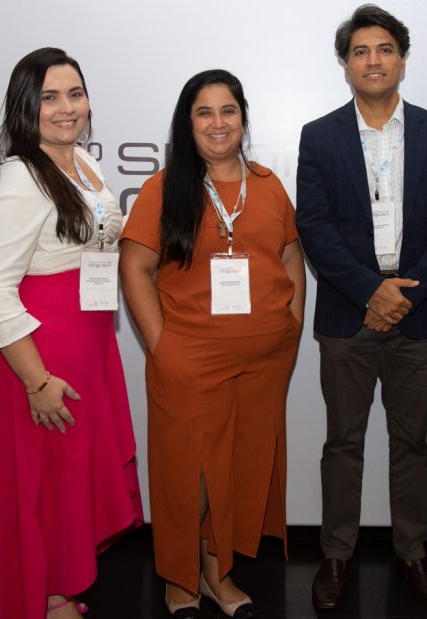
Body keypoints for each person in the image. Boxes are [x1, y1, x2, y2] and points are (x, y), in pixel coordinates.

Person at [296, 4, 427, 610]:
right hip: (349, 313)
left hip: (417, 312)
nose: (374, 60)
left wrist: (402, 295)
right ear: (346, 64)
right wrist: (371, 291)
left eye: (385, 49)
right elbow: (315, 228)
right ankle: (336, 556)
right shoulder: (319, 136)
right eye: (361, 51)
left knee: (411, 443)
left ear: (403, 60)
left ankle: (413, 553)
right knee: (342, 443)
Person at [120, 69, 304, 618]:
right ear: (188, 122)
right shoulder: (164, 188)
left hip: (263, 364)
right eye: (204, 112)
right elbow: (135, 268)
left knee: (239, 472)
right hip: (190, 361)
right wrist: (162, 348)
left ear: (243, 117)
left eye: (228, 110)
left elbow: (291, 255)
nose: (218, 123)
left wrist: (291, 326)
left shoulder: (268, 185)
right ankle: (180, 578)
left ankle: (217, 572)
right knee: (191, 474)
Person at [0, 48, 144, 619]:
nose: (67, 108)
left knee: (69, 476)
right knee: (43, 481)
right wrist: (37, 381)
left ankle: (59, 585)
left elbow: (101, 241)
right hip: (43, 354)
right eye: (49, 97)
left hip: (89, 343)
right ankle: (41, 598)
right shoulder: (18, 177)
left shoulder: (83, 163)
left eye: (75, 93)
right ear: (26, 106)